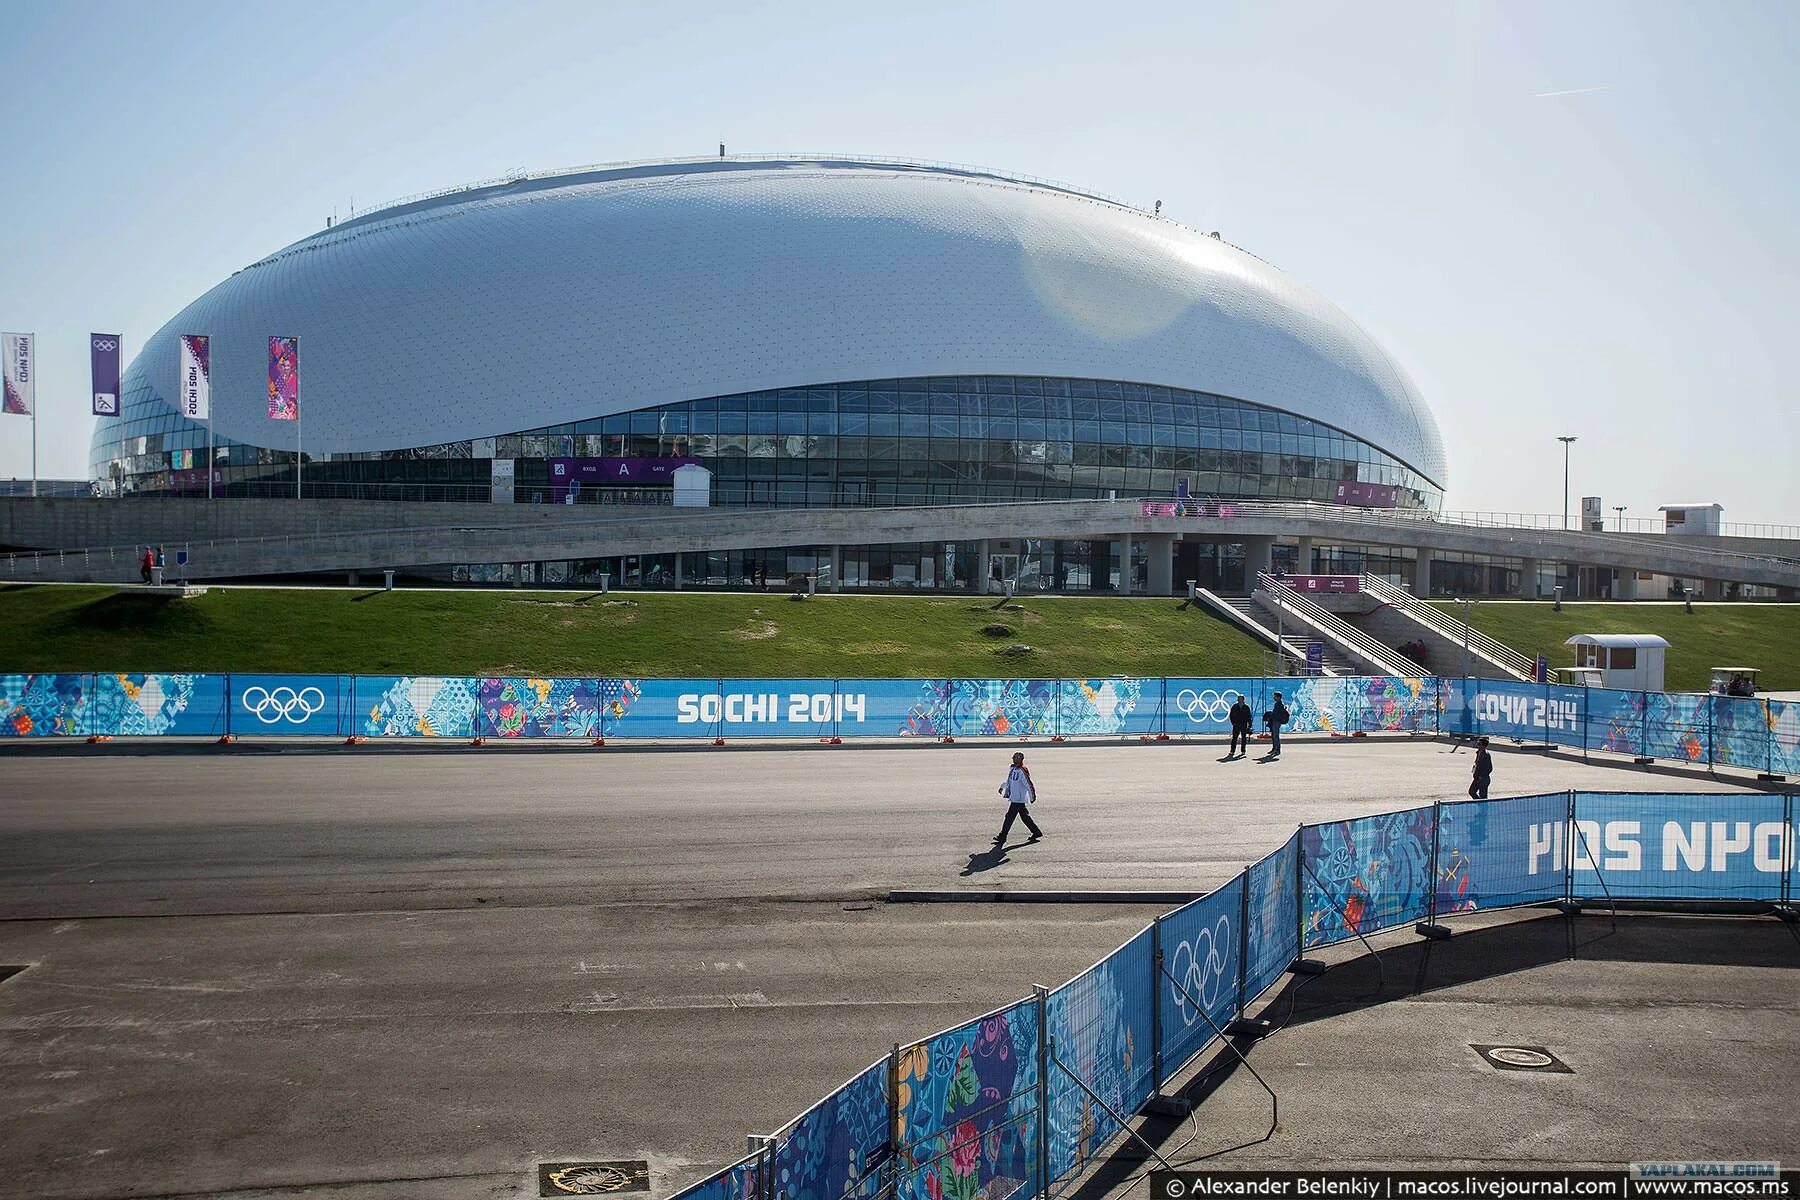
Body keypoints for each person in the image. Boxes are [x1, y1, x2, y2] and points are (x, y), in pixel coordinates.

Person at [993, 751, 1043, 845]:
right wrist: (1002, 787)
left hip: (1019, 799)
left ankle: (1002, 836)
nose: (1013, 759)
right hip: (1014, 797)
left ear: (1020, 759)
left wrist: (1032, 796)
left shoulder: (1022, 770)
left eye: (1015, 757)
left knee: (1009, 817)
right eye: (1013, 757)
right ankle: (1036, 832)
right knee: (1025, 817)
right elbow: (1009, 780)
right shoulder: (1012, 769)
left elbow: (1029, 784)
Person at [1263, 692, 1289, 758]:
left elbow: (1278, 714)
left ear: (1278, 697)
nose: (1274, 698)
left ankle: (1277, 749)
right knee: (1273, 736)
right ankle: (1274, 748)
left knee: (1276, 736)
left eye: (1275, 696)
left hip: (1277, 721)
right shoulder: (1277, 704)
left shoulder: (1279, 704)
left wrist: (1272, 715)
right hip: (1274, 721)